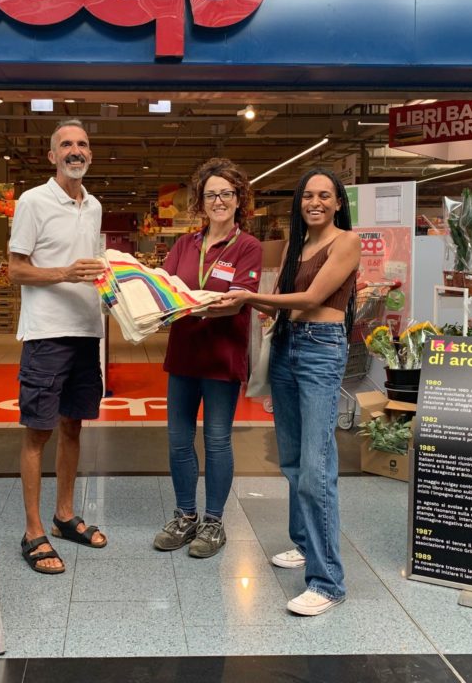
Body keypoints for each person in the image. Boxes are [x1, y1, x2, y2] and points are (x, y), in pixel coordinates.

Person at [215, 168, 359, 616]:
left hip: (320, 350)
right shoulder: (298, 246)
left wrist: (246, 297)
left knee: (317, 468)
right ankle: (305, 544)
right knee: (293, 460)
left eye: (324, 195)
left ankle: (328, 581)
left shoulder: (346, 242)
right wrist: (242, 301)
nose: (315, 202)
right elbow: (281, 304)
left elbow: (312, 299)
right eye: (308, 195)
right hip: (287, 347)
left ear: (338, 203)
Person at [8, 118, 107, 575]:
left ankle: (64, 516)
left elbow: (92, 268)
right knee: (38, 431)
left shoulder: (95, 205)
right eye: (66, 144)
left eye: (82, 144)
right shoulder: (33, 201)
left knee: (73, 427)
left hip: (86, 331)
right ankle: (33, 532)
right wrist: (64, 273)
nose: (75, 150)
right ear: (52, 155)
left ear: (90, 154)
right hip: (47, 334)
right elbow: (16, 269)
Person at [152, 158, 261, 558]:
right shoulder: (185, 245)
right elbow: (163, 288)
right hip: (183, 356)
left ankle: (214, 522)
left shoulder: (248, 247)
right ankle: (185, 516)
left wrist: (188, 305)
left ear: (239, 199)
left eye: (226, 194)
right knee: (178, 439)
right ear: (200, 201)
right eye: (211, 194)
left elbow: (236, 302)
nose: (218, 201)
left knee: (217, 440)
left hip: (221, 358)